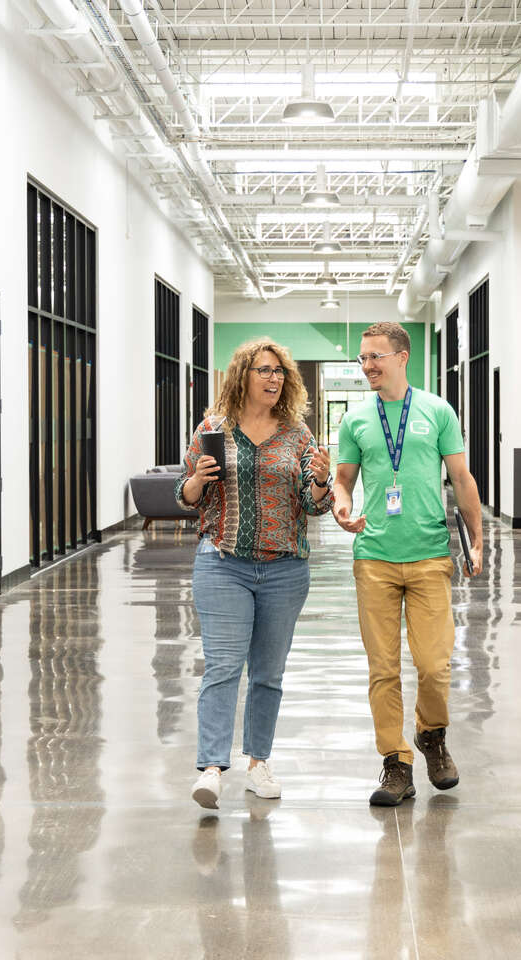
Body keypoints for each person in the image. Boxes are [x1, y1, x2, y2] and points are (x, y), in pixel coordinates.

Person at [332, 321, 484, 806]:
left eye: (375, 356)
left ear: (402, 357)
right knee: (383, 669)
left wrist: (477, 541)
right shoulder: (356, 419)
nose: (367, 365)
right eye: (363, 358)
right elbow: (343, 479)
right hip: (374, 557)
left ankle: (431, 736)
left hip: (430, 555)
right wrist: (340, 504)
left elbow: (461, 478)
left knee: (435, 665)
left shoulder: (437, 410)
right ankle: (396, 762)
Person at [178, 338, 333, 809]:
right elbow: (184, 497)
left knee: (268, 673)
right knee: (223, 666)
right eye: (263, 370)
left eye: (279, 371)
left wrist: (322, 479)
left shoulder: (298, 436)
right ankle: (210, 769)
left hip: (285, 569)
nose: (273, 378)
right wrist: (197, 481)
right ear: (242, 376)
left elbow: (314, 505)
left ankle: (258, 763)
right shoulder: (213, 430)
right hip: (223, 563)